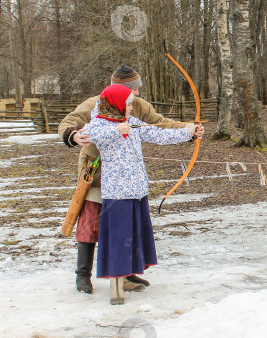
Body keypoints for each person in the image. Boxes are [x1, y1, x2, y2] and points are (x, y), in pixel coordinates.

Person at [58, 66, 192, 294]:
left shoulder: (137, 107)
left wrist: (189, 129)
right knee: (91, 222)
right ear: (119, 91)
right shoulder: (96, 104)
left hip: (129, 179)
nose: (137, 95)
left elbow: (158, 125)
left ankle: (127, 273)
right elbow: (73, 123)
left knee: (127, 225)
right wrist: (72, 134)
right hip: (97, 173)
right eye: (133, 91)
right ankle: (82, 275)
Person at [82, 84, 203, 305]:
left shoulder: (133, 123)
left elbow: (157, 133)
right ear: (117, 104)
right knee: (118, 240)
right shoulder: (99, 123)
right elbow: (87, 134)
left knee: (132, 238)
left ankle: (127, 278)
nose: (130, 108)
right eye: (127, 104)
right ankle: (115, 289)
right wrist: (116, 130)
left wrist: (189, 132)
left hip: (137, 190)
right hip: (117, 193)